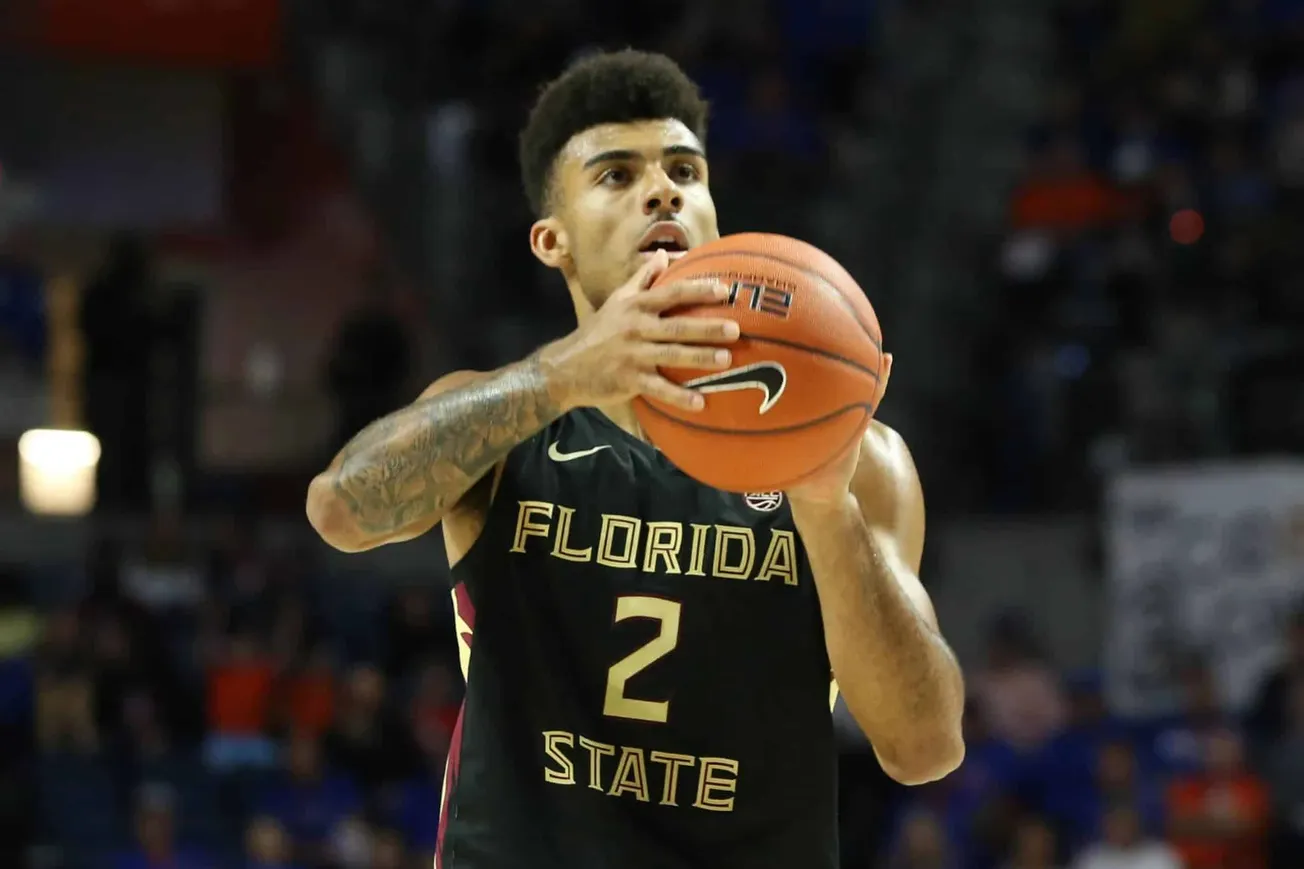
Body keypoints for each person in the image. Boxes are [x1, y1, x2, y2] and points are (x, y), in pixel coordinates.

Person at [306, 49, 965, 869]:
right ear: (553, 241)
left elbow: (924, 747)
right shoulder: (499, 422)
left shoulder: (857, 459)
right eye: (616, 175)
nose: (663, 191)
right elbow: (341, 509)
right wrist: (561, 376)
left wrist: (826, 508)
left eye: (685, 171)